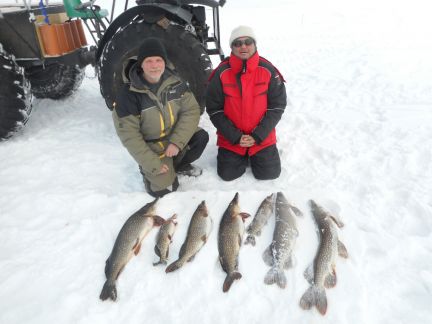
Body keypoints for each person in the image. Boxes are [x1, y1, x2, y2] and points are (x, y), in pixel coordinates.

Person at [112, 38, 209, 197]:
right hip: (153, 147)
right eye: (149, 61)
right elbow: (130, 136)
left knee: (200, 137)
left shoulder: (176, 83)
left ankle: (177, 164)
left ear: (165, 62)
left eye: (158, 60)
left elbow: (191, 111)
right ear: (141, 64)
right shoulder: (128, 95)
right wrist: (152, 163)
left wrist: (177, 142)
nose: (154, 65)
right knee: (165, 191)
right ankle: (149, 170)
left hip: (172, 138)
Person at [206, 25, 287, 181]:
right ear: (232, 47)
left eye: (248, 42)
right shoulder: (221, 73)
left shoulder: (268, 70)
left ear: (254, 44)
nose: (243, 46)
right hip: (232, 139)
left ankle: (254, 153)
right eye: (237, 43)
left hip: (261, 138)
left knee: (269, 174)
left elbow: (277, 106)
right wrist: (235, 137)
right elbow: (214, 109)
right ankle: (240, 155)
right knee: (228, 175)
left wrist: (258, 135)